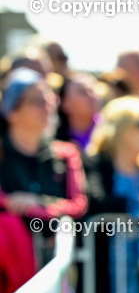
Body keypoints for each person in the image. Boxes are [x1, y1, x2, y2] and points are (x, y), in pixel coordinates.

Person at [84, 97, 139, 293]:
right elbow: (95, 201)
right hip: (105, 267)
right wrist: (134, 204)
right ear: (122, 129)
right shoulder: (96, 163)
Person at [0, 68, 88, 233]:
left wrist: (36, 203)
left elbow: (78, 206)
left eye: (49, 100)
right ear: (11, 111)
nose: (46, 108)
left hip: (54, 254)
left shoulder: (66, 153)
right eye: (36, 101)